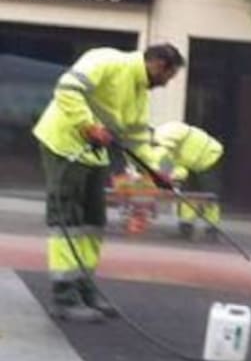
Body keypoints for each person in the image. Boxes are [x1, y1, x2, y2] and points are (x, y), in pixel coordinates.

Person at [32, 43, 185, 321]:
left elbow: (136, 140)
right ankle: (63, 296)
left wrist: (155, 172)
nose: (165, 84)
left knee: (93, 222)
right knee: (68, 220)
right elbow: (67, 89)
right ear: (160, 65)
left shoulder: (139, 94)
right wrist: (88, 125)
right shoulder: (107, 61)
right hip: (64, 146)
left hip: (94, 155)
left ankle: (84, 286)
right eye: (168, 77)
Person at [146, 121, 224, 239]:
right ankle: (186, 226)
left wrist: (162, 173)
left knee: (209, 196)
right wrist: (172, 176)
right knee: (188, 194)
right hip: (191, 164)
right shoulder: (159, 145)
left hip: (209, 157)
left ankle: (212, 228)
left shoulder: (164, 133)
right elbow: (176, 167)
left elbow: (162, 158)